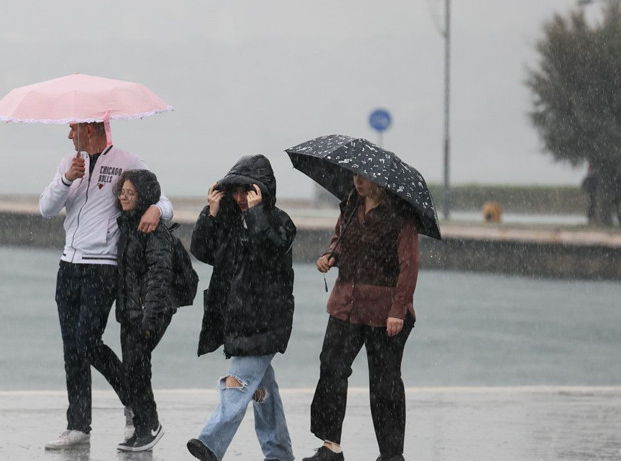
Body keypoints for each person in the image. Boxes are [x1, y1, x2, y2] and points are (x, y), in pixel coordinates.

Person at [39, 122, 173, 450]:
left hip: (102, 268)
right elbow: (46, 209)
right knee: (72, 349)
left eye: (73, 128)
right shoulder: (68, 164)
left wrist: (155, 209)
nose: (69, 135)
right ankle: (78, 426)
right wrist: (66, 179)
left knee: (87, 341)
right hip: (68, 266)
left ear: (90, 129)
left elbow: (165, 203)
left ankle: (135, 403)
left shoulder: (128, 162)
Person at [186, 154, 296, 461]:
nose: (239, 198)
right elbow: (202, 251)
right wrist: (210, 213)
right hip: (237, 319)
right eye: (235, 191)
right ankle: (279, 454)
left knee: (238, 381)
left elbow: (269, 252)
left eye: (246, 191)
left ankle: (211, 442)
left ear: (261, 191)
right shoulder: (229, 220)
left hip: (266, 320)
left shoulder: (281, 222)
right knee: (263, 392)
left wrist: (257, 214)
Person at [303, 173, 419, 461]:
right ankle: (331, 448)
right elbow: (340, 239)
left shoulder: (401, 215)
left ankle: (391, 455)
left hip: (385, 311)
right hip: (346, 303)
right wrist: (330, 255)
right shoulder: (351, 204)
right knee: (331, 367)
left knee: (384, 384)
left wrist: (398, 310)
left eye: (364, 177)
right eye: (355, 175)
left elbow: (409, 266)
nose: (357, 181)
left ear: (380, 181)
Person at [113, 169, 176, 452]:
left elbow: (159, 276)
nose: (124, 197)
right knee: (134, 369)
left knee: (137, 368)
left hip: (149, 312)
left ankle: (150, 425)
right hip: (130, 312)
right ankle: (142, 427)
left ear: (144, 197)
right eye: (122, 192)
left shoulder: (153, 230)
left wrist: (150, 319)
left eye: (131, 193)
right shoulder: (127, 225)